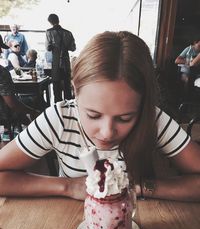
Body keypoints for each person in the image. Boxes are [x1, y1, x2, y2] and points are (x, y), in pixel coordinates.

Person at [0, 31, 199, 202]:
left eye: (125, 118)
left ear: (142, 104)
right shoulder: (60, 118)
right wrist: (68, 186)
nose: (106, 133)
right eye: (93, 115)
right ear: (75, 91)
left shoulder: (152, 119)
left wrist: (139, 187)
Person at [0, 39, 40, 137]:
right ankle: (35, 133)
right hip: (3, 115)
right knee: (35, 101)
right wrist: (33, 111)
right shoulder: (2, 72)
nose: (1, 51)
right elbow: (12, 104)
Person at [45, 13, 76, 102]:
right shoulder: (68, 33)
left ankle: (58, 110)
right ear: (58, 20)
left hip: (56, 62)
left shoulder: (49, 32)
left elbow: (47, 48)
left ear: (50, 22)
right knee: (67, 88)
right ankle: (69, 109)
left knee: (56, 89)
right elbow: (73, 48)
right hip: (66, 62)